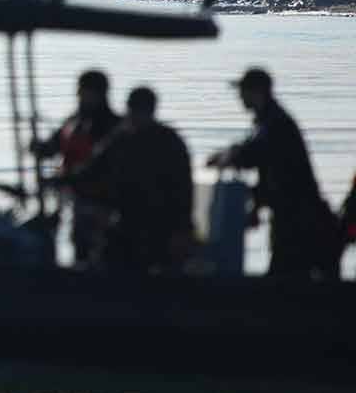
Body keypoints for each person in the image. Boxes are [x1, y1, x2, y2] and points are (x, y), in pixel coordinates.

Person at [206, 67, 340, 279]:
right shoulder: (267, 121)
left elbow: (253, 155)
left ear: (256, 91)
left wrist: (227, 157)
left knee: (287, 286)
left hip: (302, 224)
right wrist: (257, 206)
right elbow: (267, 168)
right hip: (293, 220)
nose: (240, 96)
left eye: (243, 90)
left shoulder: (276, 123)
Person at [52, 87, 196, 272]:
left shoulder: (153, 140)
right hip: (131, 222)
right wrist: (66, 179)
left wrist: (181, 229)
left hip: (154, 226)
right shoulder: (125, 138)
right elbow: (92, 168)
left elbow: (182, 190)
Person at [32, 69, 121, 265]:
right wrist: (39, 148)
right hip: (72, 202)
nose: (80, 96)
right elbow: (52, 148)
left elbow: (101, 167)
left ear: (100, 94)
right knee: (77, 249)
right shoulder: (73, 122)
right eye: (79, 91)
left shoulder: (114, 127)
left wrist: (65, 179)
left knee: (98, 254)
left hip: (101, 206)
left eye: (85, 92)